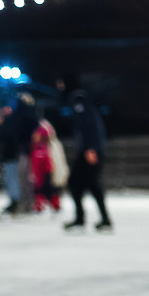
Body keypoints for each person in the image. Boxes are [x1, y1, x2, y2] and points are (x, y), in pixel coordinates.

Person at [58, 74, 112, 231]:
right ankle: (90, 219)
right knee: (84, 184)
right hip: (88, 149)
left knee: (81, 183)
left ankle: (89, 219)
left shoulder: (78, 100)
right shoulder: (79, 98)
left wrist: (91, 148)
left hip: (89, 150)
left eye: (61, 83)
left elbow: (90, 125)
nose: (59, 87)